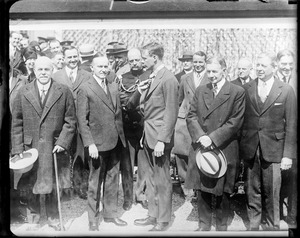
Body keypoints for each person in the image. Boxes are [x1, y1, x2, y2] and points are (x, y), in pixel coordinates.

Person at [10, 56, 76, 226]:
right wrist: (18, 148)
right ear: (34, 71)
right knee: (32, 181)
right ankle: (34, 214)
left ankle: (54, 216)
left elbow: (71, 121)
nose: (43, 73)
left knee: (53, 183)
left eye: (47, 69)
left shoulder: (63, 91)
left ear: (52, 70)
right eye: (40, 69)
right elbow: (17, 123)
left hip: (54, 146)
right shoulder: (23, 92)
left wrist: (62, 142)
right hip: (30, 147)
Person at [185, 56, 245, 231]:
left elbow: (235, 121)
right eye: (208, 71)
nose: (210, 75)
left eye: (214, 71)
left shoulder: (236, 92)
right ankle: (203, 226)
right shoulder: (201, 90)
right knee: (202, 189)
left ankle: (221, 228)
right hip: (201, 145)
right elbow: (191, 116)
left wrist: (212, 138)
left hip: (224, 146)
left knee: (222, 191)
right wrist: (201, 136)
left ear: (224, 70)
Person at [240, 52, 297, 230]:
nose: (259, 69)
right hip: (251, 147)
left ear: (274, 68)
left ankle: (273, 226)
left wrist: (288, 155)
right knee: (252, 190)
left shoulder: (286, 90)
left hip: (275, 149)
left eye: (263, 66)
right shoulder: (248, 87)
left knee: (272, 192)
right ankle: (254, 225)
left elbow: (292, 126)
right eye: (258, 65)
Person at [128, 42, 179, 231]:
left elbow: (171, 112)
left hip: (158, 139)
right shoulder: (152, 76)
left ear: (154, 57)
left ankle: (163, 220)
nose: (141, 62)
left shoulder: (168, 79)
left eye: (144, 58)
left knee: (162, 179)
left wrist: (162, 141)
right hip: (147, 135)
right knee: (150, 178)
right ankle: (152, 214)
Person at [77, 56, 128, 231]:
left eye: (106, 66)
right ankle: (93, 219)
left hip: (115, 141)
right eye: (100, 66)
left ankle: (110, 214)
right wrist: (89, 143)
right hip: (97, 144)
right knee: (94, 182)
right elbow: (82, 120)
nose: (103, 69)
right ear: (92, 68)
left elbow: (118, 114)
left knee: (113, 179)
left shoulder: (113, 85)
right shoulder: (85, 88)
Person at [53, 46, 93, 200]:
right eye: (69, 57)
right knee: (63, 156)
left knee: (81, 155)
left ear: (78, 57)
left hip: (83, 121)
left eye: (75, 56)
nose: (72, 60)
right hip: (64, 122)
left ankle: (81, 187)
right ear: (63, 58)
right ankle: (64, 189)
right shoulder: (56, 76)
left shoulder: (87, 75)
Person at [173, 50, 209, 200]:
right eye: (195, 62)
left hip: (202, 121)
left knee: (199, 154)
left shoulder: (210, 77)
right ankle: (185, 183)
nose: (198, 65)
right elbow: (179, 99)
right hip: (185, 119)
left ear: (205, 62)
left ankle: (199, 187)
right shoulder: (185, 78)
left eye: (201, 62)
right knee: (182, 153)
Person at [118, 48, 151, 211]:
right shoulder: (123, 78)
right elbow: (125, 101)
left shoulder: (151, 75)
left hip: (146, 126)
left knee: (144, 164)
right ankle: (127, 197)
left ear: (142, 60)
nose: (134, 63)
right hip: (129, 126)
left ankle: (141, 194)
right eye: (131, 61)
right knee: (127, 164)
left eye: (137, 60)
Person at [275, 49, 297, 229]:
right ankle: (277, 214)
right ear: (277, 64)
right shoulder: (272, 81)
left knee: (294, 178)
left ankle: (292, 215)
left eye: (290, 63)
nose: (287, 67)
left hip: (294, 137)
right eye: (284, 64)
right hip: (277, 138)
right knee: (279, 178)